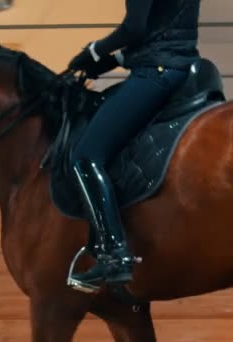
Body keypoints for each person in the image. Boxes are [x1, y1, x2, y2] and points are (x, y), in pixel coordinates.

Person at [66, 0, 202, 290]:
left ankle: (113, 253)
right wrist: (116, 60)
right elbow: (165, 29)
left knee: (85, 157)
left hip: (156, 72)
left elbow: (135, 27)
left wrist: (94, 50)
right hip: (184, 65)